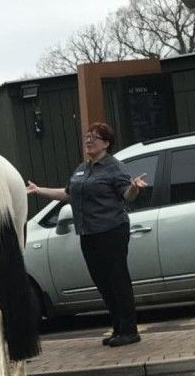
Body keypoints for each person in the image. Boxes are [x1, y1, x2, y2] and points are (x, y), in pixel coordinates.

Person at [26, 122, 147, 347]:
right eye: (87, 137)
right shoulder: (83, 168)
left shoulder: (114, 167)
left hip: (111, 230)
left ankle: (130, 330)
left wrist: (134, 187)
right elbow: (68, 194)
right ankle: (118, 328)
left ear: (106, 143)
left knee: (117, 280)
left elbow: (127, 196)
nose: (88, 140)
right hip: (88, 233)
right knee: (102, 282)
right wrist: (38, 190)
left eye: (95, 137)